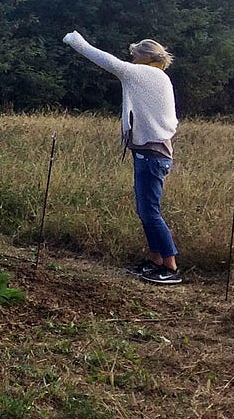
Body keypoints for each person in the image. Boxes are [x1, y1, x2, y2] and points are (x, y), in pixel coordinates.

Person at [63, 30, 183, 285]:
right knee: (145, 210)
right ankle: (156, 261)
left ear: (143, 56)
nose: (130, 58)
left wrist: (74, 40)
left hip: (152, 155)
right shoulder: (160, 77)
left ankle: (170, 266)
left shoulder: (140, 73)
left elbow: (105, 60)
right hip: (151, 153)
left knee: (149, 211)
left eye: (133, 53)